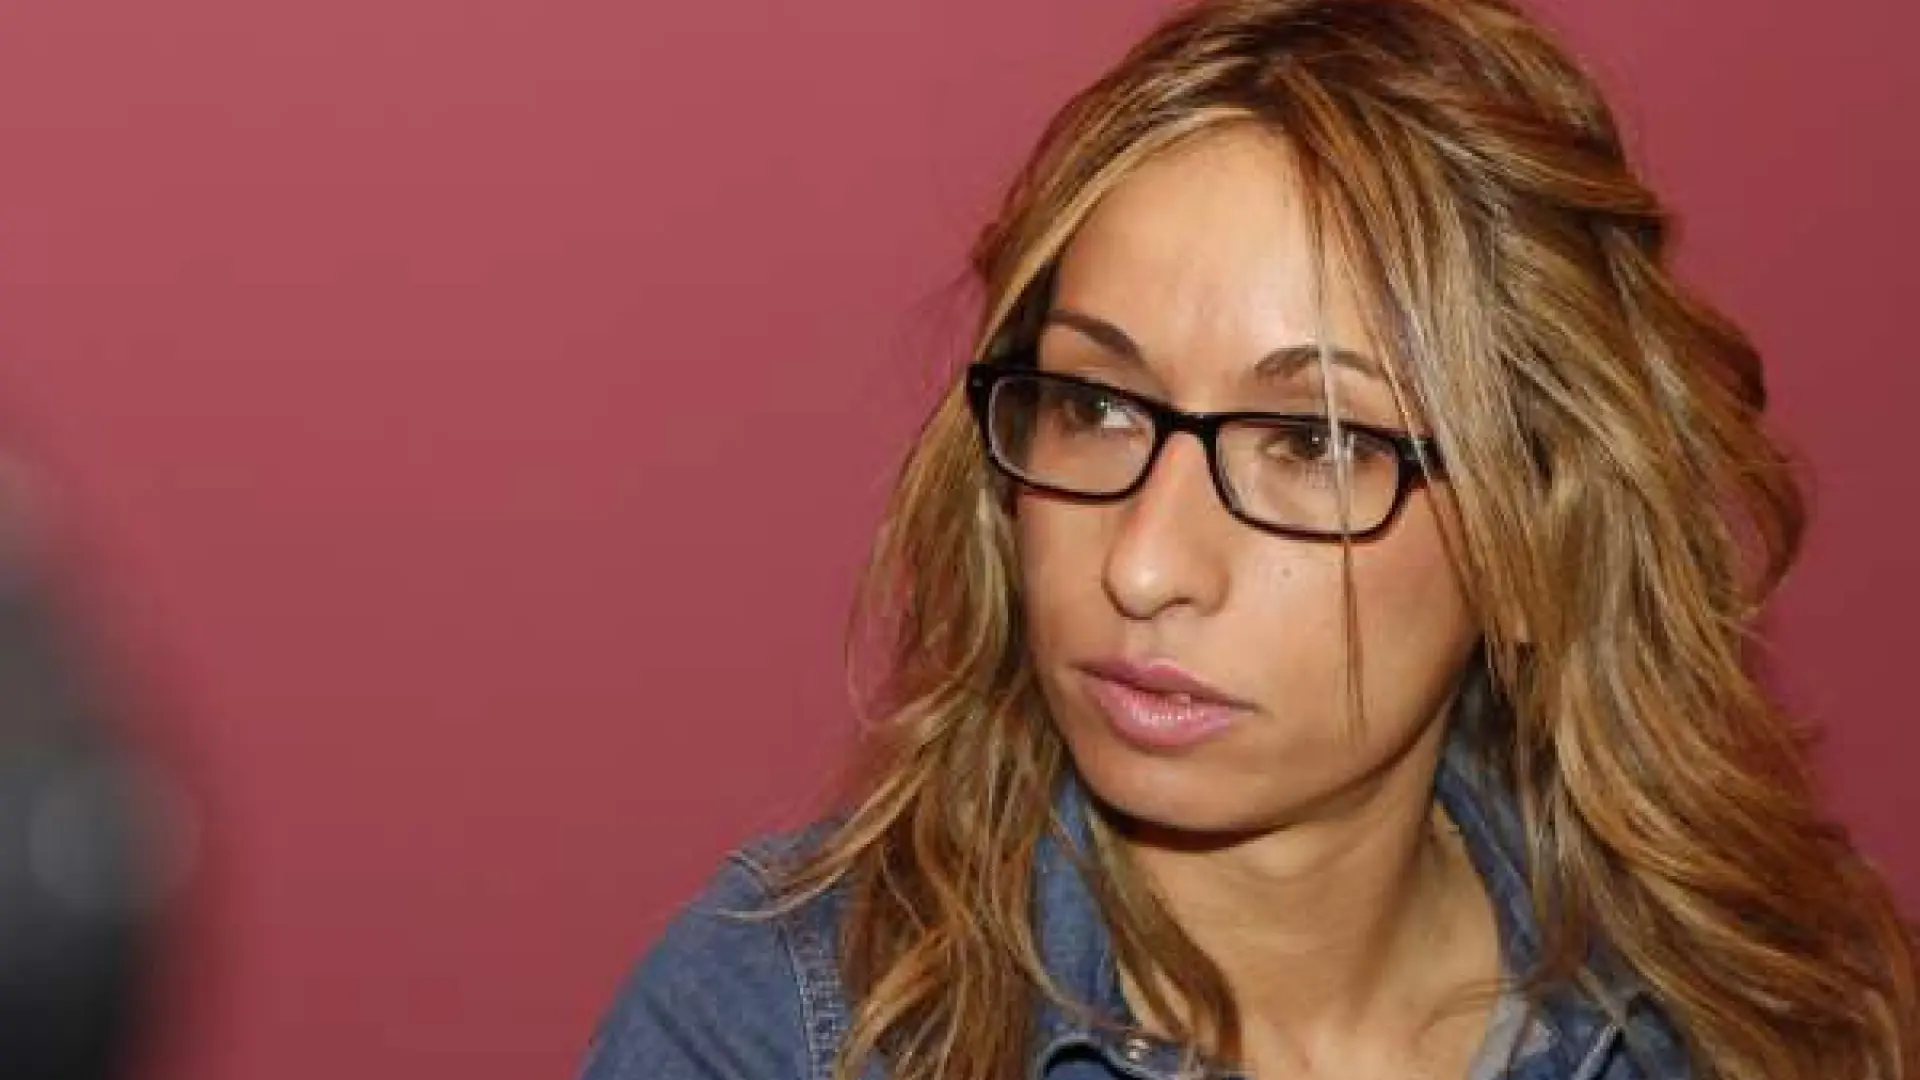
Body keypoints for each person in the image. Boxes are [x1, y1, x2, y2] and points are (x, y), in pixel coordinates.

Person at [578, 0, 1919, 1077]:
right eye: (1097, 405)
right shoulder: (780, 1031)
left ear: (1537, 535)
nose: (1143, 564)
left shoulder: (1772, 1011)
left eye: (1316, 441)